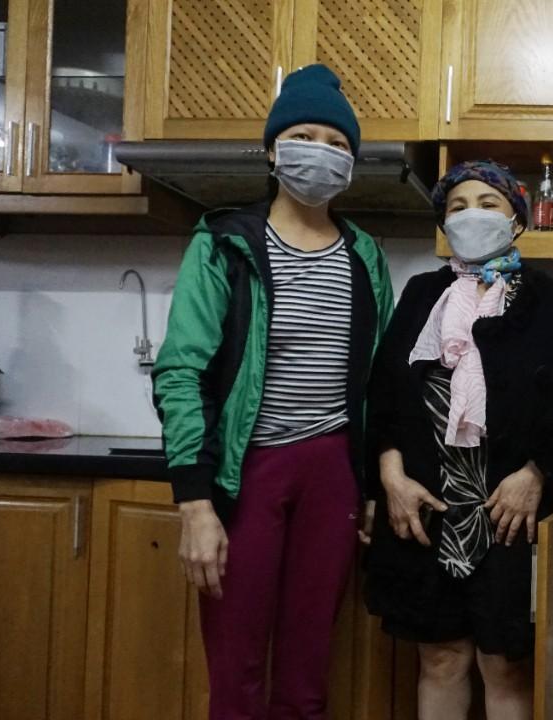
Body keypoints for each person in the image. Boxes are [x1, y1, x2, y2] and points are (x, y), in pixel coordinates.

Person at [153, 64, 393, 718]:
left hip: (333, 474)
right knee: (236, 674)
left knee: (307, 677)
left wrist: (371, 484)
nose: (321, 151)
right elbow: (181, 370)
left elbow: (380, 383)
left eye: (337, 143)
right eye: (304, 136)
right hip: (246, 472)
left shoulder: (364, 256)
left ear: (352, 162)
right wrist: (195, 503)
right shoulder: (224, 243)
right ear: (272, 151)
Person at [361, 160, 553, 720]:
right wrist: (389, 477)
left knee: (504, 664)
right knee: (440, 658)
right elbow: (386, 392)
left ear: (517, 220)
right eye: (457, 206)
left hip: (507, 514)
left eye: (488, 203)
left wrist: (536, 473)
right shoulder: (421, 294)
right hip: (424, 509)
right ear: (443, 224)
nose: (471, 215)